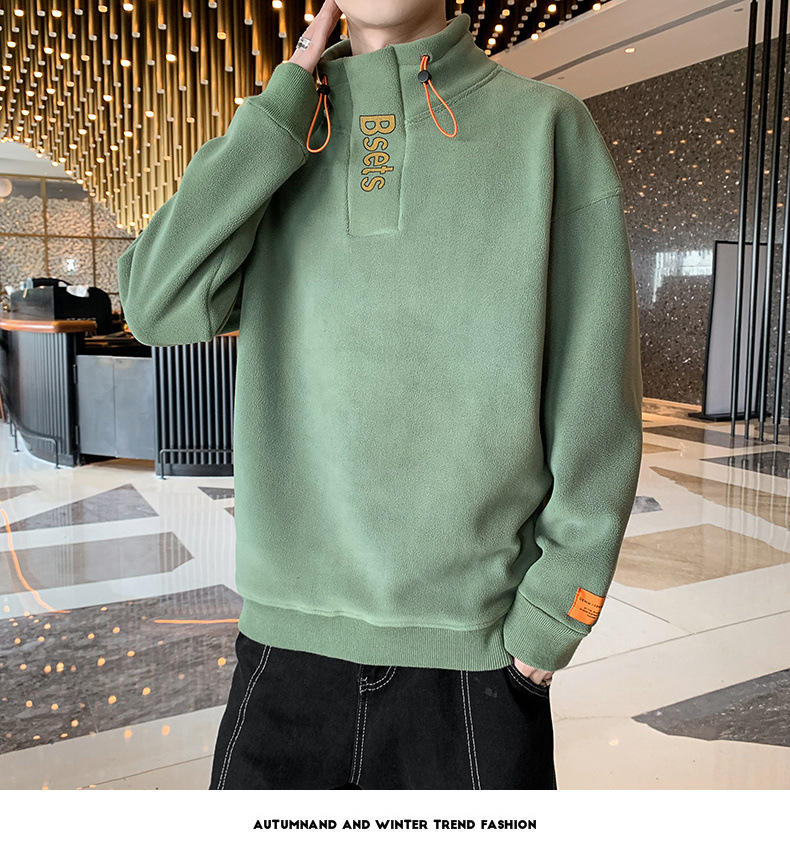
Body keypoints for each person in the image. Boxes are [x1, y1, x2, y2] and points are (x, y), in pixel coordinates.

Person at [117, 0, 642, 790]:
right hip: (284, 652)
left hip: (472, 664)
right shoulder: (280, 139)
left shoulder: (548, 129)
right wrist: (276, 116)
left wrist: (554, 619)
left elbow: (595, 392)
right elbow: (158, 306)